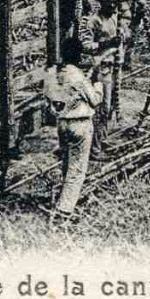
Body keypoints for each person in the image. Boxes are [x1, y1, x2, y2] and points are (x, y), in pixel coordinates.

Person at [45, 35, 100, 221]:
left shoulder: (52, 72)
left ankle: (62, 200)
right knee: (77, 169)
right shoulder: (77, 75)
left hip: (62, 123)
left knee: (67, 164)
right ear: (78, 55)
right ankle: (64, 210)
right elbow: (94, 100)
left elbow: (48, 96)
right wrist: (97, 84)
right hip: (80, 124)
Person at [87, 0, 123, 153]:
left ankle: (102, 138)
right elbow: (87, 45)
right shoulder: (95, 21)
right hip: (100, 68)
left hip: (114, 67)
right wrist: (107, 43)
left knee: (110, 106)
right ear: (101, 3)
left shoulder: (115, 19)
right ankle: (94, 146)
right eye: (109, 3)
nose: (113, 6)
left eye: (115, 3)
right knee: (101, 106)